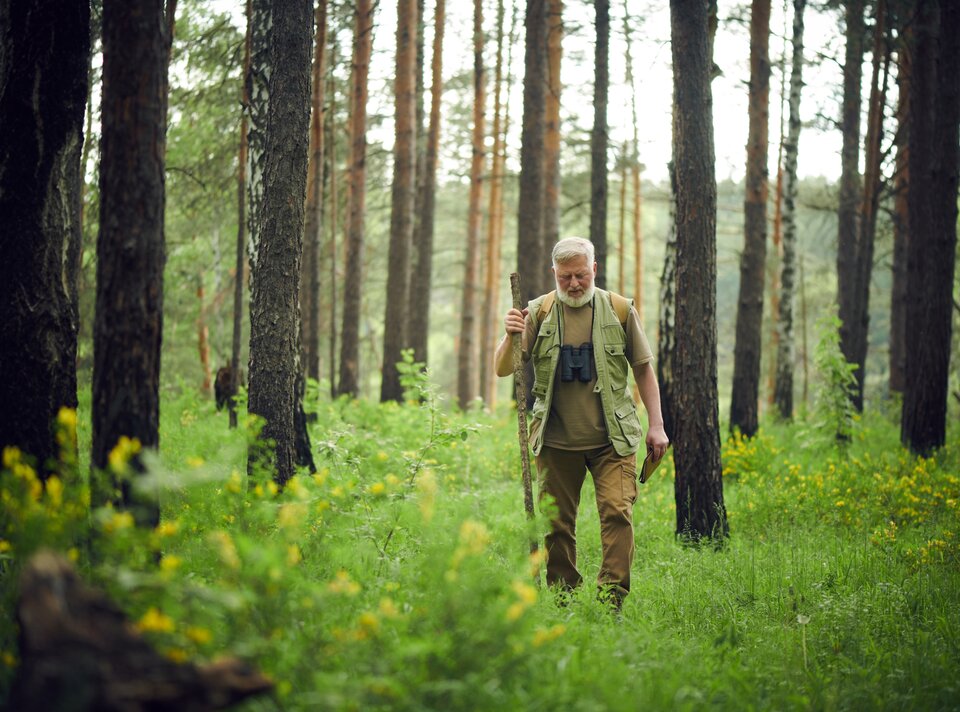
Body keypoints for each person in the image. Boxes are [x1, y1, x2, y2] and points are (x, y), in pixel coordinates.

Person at [494, 237, 669, 609]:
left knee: (618, 514)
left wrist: (657, 425)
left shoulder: (619, 309)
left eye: (580, 275)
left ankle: (611, 602)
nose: (573, 283)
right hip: (556, 441)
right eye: (565, 277)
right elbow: (503, 369)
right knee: (556, 524)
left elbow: (643, 368)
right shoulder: (537, 312)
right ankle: (563, 600)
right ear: (553, 274)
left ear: (594, 269)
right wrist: (509, 336)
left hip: (613, 439)